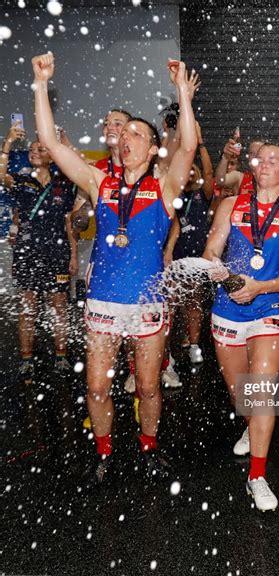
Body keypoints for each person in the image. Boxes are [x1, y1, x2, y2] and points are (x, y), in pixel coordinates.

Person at [32, 52, 197, 487]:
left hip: (146, 304)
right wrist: (39, 84)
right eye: (123, 134)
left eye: (137, 134)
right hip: (104, 302)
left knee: (147, 388)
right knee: (97, 389)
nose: (126, 139)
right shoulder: (97, 182)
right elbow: (50, 143)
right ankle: (103, 454)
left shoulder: (163, 185)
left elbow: (190, 146)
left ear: (153, 146)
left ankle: (149, 448)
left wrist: (182, 92)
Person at [204, 142, 279, 511]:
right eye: (260, 159)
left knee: (262, 394)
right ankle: (251, 426)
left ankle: (257, 477)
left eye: (274, 160)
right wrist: (218, 271)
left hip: (268, 309)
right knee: (244, 397)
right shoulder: (230, 206)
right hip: (227, 309)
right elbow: (210, 252)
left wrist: (261, 287)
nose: (265, 164)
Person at [0, 124, 76, 382]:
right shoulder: (21, 181)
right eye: (31, 149)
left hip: (57, 254)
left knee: (59, 307)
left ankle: (61, 357)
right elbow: (2, 177)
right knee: (28, 308)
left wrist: (74, 255)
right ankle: (26, 359)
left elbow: (68, 223)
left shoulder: (64, 184)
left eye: (40, 148)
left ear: (52, 155)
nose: (34, 151)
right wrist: (8, 143)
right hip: (27, 253)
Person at [164, 121, 214, 364]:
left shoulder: (202, 195)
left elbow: (209, 174)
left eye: (194, 170)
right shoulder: (173, 194)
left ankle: (195, 346)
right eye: (188, 170)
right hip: (176, 256)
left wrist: (201, 143)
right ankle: (168, 353)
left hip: (196, 256)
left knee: (193, 301)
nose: (191, 173)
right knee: (171, 305)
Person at [214, 130, 264, 197]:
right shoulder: (240, 177)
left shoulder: (274, 179)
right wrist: (225, 157)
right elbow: (220, 181)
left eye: (258, 152)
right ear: (248, 157)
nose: (255, 156)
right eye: (251, 153)